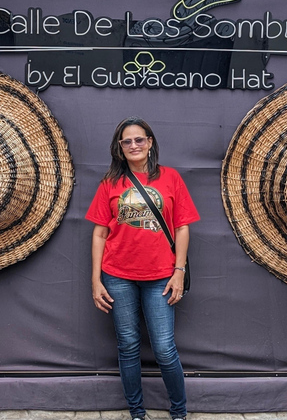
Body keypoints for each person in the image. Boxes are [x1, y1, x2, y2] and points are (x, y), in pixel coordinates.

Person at [86, 116, 200, 420]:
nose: (134, 145)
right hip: (117, 275)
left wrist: (179, 271)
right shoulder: (110, 183)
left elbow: (183, 228)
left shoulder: (171, 178)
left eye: (139, 139)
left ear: (149, 143)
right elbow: (99, 233)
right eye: (127, 141)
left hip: (161, 277)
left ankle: (179, 412)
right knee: (128, 345)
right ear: (120, 148)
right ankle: (137, 413)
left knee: (164, 349)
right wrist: (96, 280)